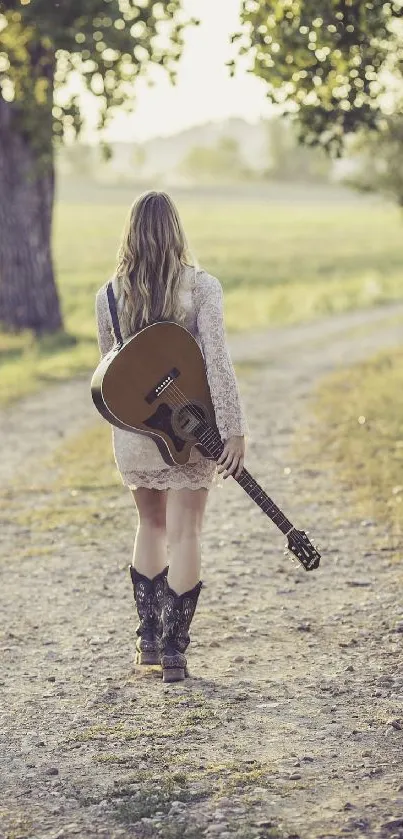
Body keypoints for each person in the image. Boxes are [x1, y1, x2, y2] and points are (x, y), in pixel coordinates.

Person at [95, 190, 248, 683]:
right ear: (176, 231)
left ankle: (147, 646)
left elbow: (113, 377)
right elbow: (217, 364)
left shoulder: (110, 296)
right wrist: (233, 429)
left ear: (131, 234)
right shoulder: (202, 287)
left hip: (137, 430)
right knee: (186, 532)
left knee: (151, 527)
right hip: (192, 426)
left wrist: (131, 433)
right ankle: (175, 651)